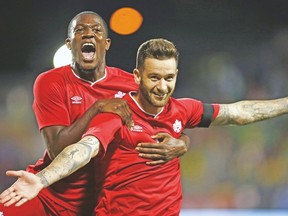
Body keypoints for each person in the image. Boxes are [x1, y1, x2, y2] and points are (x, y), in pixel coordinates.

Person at [2, 38, 288, 216]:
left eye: (169, 78)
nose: (162, 87)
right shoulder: (117, 113)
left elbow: (237, 112)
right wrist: (42, 179)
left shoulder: (183, 109)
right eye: (154, 78)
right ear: (137, 76)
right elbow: (83, 150)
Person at [0, 12, 189, 216]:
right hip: (50, 196)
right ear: (69, 44)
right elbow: (56, 150)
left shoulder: (131, 84)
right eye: (80, 31)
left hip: (101, 204)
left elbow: (172, 122)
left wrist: (183, 143)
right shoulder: (50, 82)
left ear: (106, 43)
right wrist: (97, 108)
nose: (88, 35)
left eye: (96, 30)